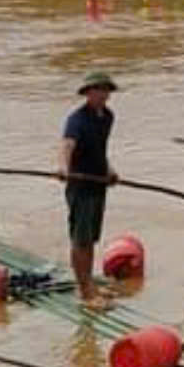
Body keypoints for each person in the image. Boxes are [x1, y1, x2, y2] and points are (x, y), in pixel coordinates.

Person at [58, 71, 120, 301]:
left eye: (105, 90)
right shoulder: (77, 119)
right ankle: (85, 291)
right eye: (97, 90)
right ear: (87, 93)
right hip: (80, 185)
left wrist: (109, 170)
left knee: (91, 238)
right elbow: (67, 145)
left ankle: (89, 283)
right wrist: (64, 168)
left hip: (98, 184)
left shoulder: (107, 117)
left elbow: (99, 150)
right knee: (80, 239)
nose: (102, 94)